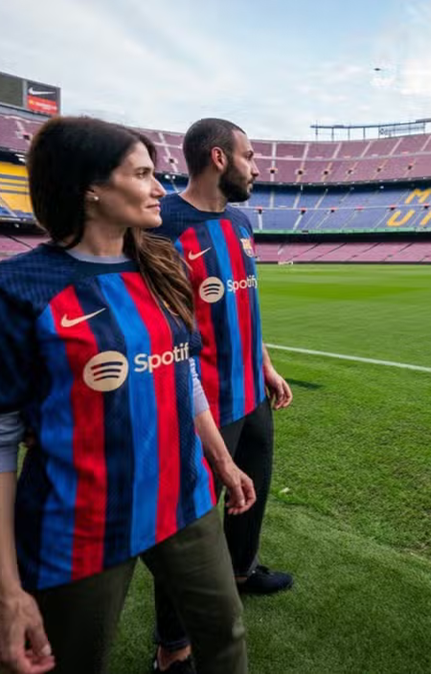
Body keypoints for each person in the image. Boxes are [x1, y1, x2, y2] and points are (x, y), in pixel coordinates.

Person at [0, 116, 255, 674]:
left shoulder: (160, 264)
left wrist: (222, 459)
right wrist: (4, 590)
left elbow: (181, 373)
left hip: (185, 499)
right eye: (141, 173)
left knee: (225, 636)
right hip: (79, 524)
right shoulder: (8, 292)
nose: (159, 187)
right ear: (90, 187)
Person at [149, 118, 293, 672]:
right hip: (202, 403)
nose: (257, 167)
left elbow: (244, 306)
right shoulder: (163, 224)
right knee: (191, 522)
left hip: (252, 393)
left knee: (252, 494)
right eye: (250, 156)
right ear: (218, 158)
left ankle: (241, 571)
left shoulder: (239, 221)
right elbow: (164, 325)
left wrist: (267, 365)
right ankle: (173, 642)